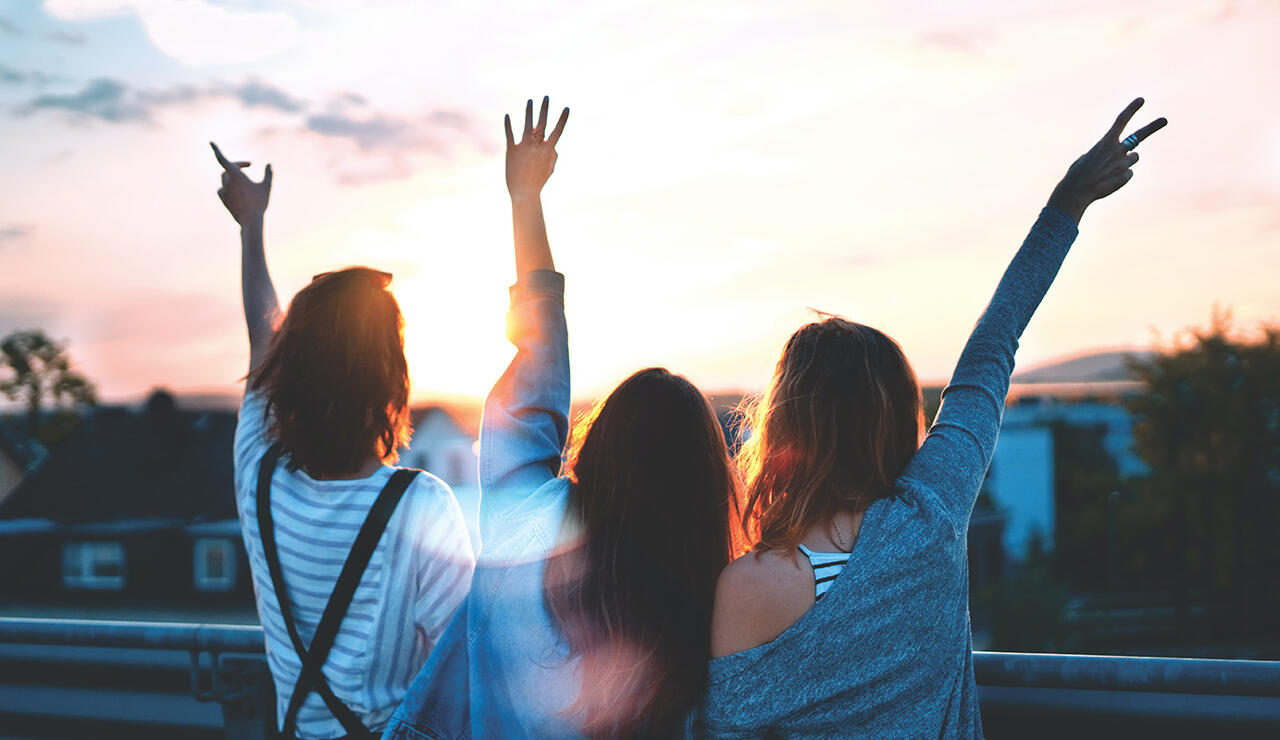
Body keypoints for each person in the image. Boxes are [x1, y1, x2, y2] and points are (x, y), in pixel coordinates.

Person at [702, 98, 1168, 738]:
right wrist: (1066, 205)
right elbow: (990, 353)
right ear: (895, 418)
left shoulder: (746, 587)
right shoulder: (930, 516)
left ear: (784, 426)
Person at [384, 97, 743, 740]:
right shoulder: (710, 613)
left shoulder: (527, 524)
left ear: (601, 446)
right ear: (704, 483)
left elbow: (539, 363)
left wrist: (525, 198)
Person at [212, 143, 476, 740]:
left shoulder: (257, 472)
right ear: (391, 380)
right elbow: (462, 671)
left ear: (289, 375)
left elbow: (262, 336)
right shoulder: (420, 507)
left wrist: (251, 226)